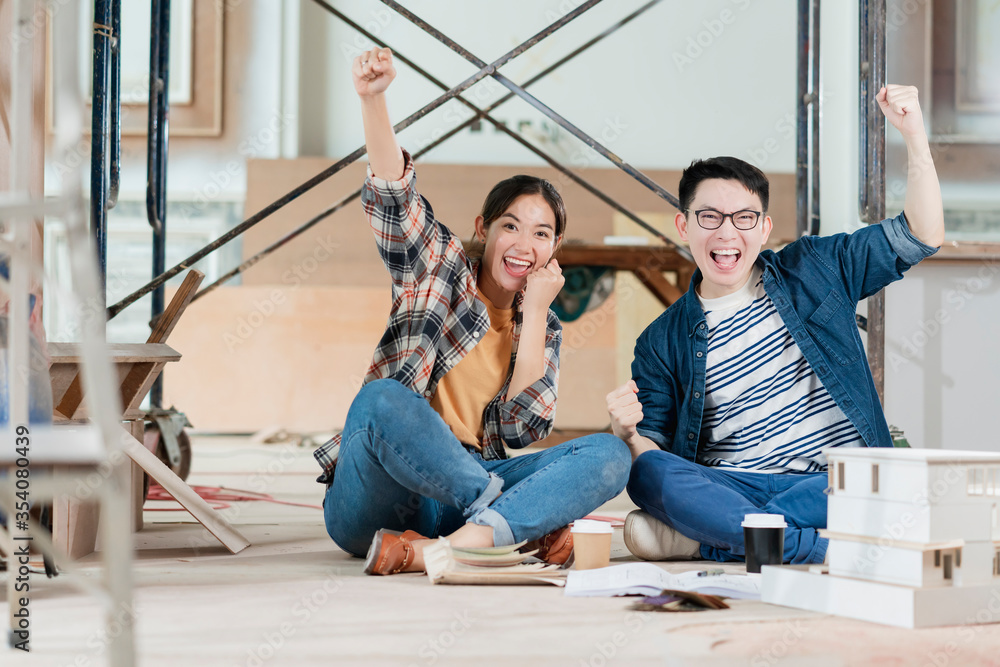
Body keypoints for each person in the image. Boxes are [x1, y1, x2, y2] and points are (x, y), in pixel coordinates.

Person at [317, 47, 630, 575]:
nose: (524, 244)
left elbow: (519, 430)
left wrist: (532, 316)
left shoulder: (543, 323)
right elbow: (395, 199)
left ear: (555, 249)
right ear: (484, 229)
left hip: (462, 491)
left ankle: (444, 548)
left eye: (541, 233)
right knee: (381, 401)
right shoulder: (437, 267)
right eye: (511, 225)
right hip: (380, 496)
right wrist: (374, 101)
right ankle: (501, 525)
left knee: (610, 454)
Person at [606, 85, 943, 565]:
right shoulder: (661, 340)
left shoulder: (815, 269)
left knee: (893, 480)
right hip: (733, 481)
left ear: (764, 228)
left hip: (831, 479)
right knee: (648, 474)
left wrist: (913, 134)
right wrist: (627, 432)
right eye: (709, 217)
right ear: (684, 227)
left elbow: (921, 234)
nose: (727, 233)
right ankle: (816, 546)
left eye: (744, 218)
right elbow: (653, 450)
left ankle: (717, 540)